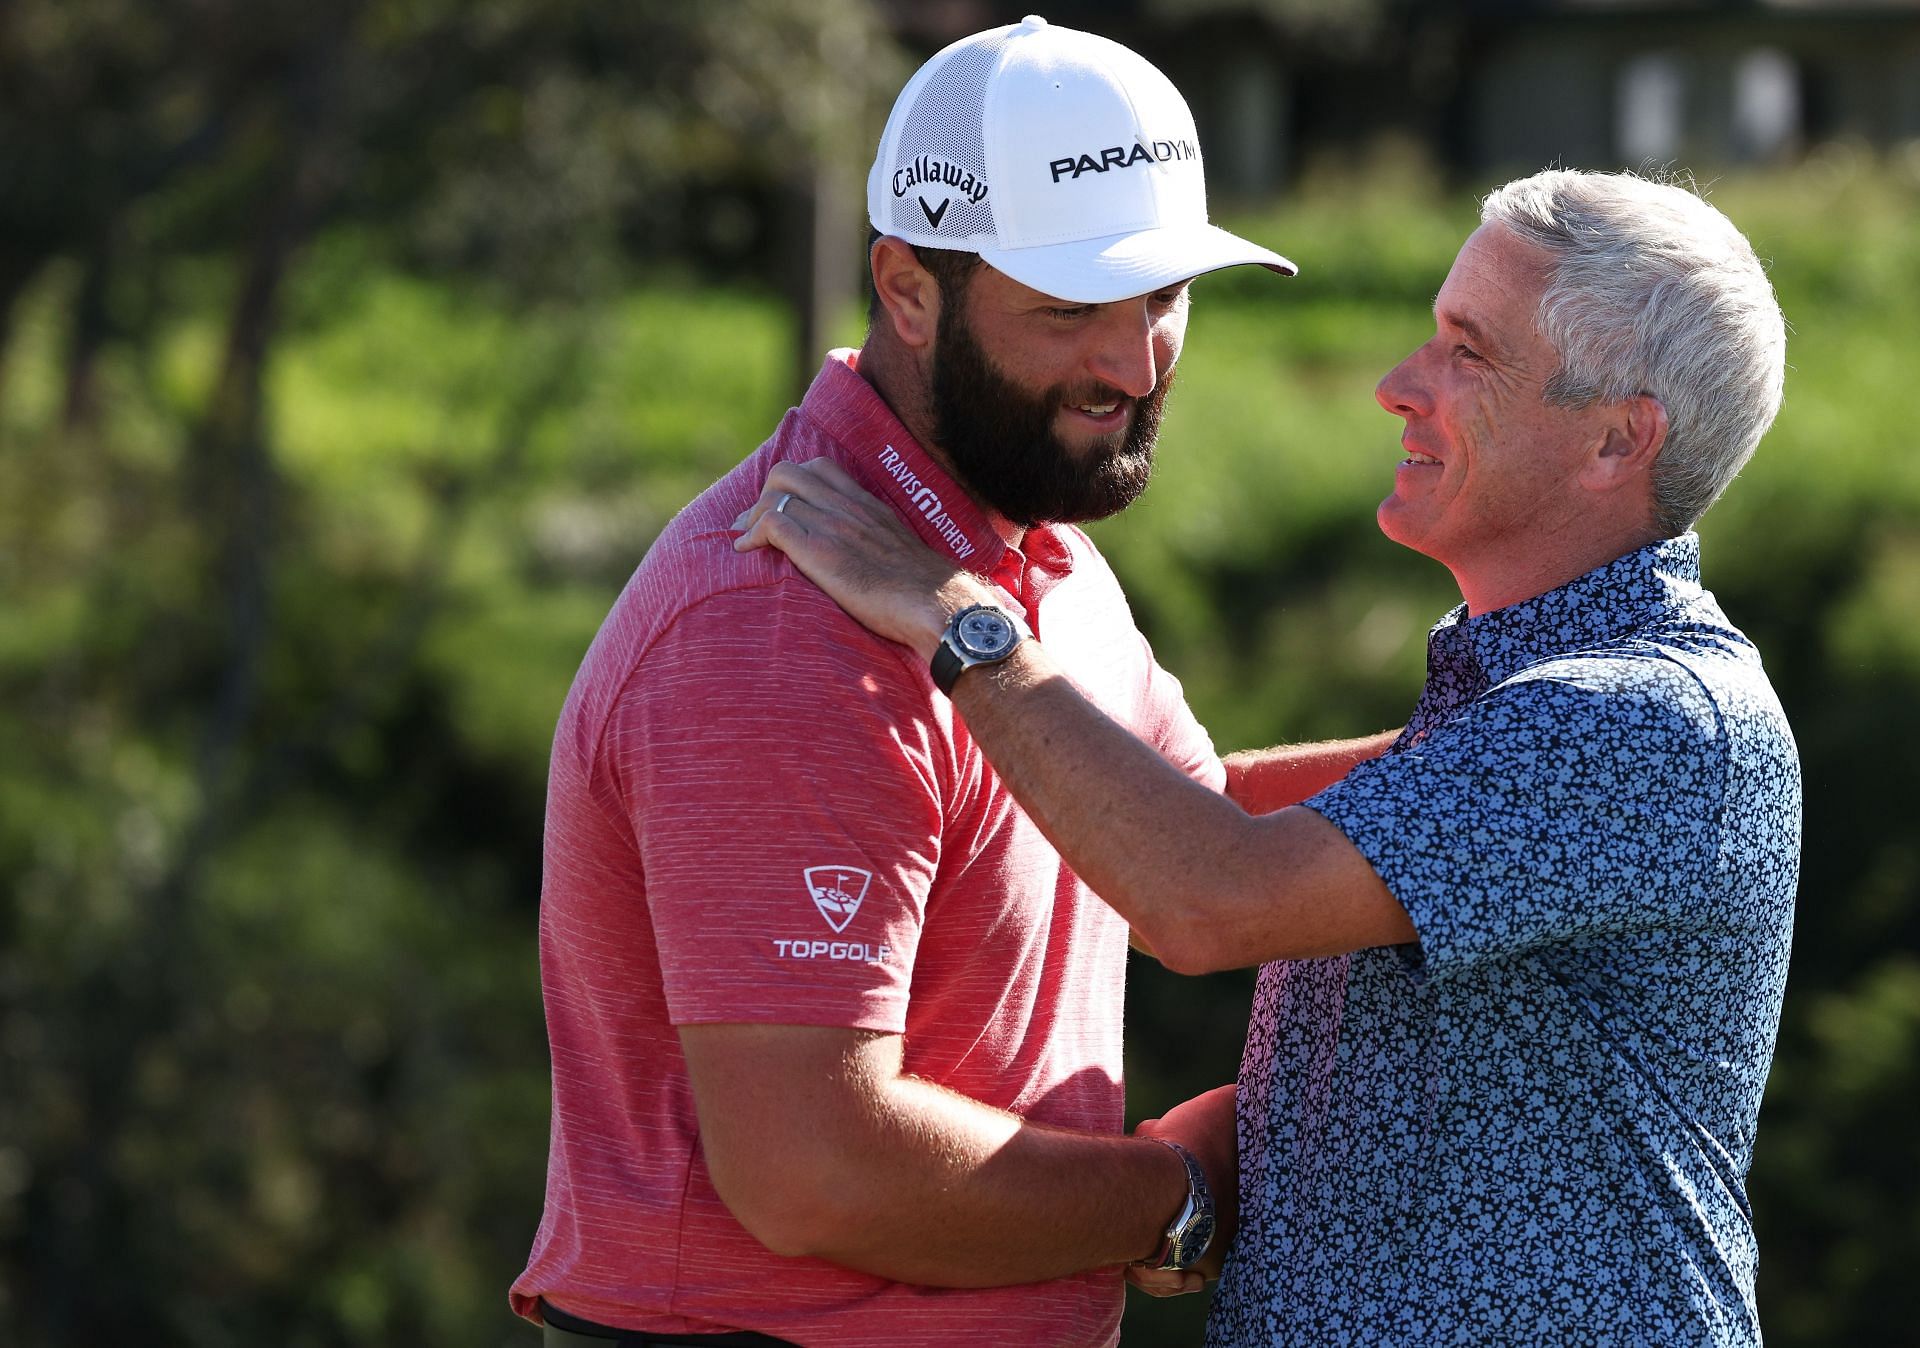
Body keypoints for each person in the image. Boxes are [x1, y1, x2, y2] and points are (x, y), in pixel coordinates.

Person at [736, 168, 1799, 1346]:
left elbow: (1203, 896)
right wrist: (1240, 1148)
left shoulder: (1642, 723)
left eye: (1469, 353)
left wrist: (955, 618)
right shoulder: (1536, 709)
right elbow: (1192, 820)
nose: (1400, 386)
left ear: (1615, 440)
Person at [510, 15, 1325, 1347]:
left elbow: (1189, 818)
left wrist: (1530, 753)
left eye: (1164, 297)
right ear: (905, 290)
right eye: (1070, 310)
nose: (1132, 365)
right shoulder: (774, 637)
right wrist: (1178, 1196)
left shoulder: (1029, 544)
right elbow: (815, 1170)